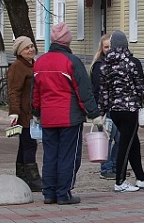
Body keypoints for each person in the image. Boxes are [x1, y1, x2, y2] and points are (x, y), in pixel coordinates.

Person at [32, 23, 104, 205]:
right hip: (69, 117)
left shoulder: (40, 62)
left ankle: (49, 193)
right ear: (67, 40)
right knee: (68, 156)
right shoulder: (72, 61)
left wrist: (36, 112)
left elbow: (35, 92)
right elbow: (84, 91)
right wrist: (94, 113)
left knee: (50, 155)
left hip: (47, 117)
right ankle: (63, 193)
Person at [99, 31, 144, 192]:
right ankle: (120, 181)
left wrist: (101, 110)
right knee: (126, 144)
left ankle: (141, 178)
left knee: (132, 142)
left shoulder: (105, 65)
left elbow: (104, 91)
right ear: (126, 45)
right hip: (130, 109)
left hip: (114, 111)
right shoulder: (132, 63)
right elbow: (141, 86)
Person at [7, 35, 42, 192]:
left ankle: (21, 177)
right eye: (27, 48)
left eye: (32, 46)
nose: (31, 50)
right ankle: (33, 179)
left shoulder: (33, 65)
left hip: (33, 112)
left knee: (24, 145)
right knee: (29, 145)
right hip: (23, 113)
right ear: (20, 51)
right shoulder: (17, 67)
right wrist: (14, 112)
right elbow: (14, 91)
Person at [90, 33, 121, 180]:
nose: (108, 49)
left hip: (119, 106)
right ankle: (106, 167)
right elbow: (98, 88)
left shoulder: (120, 63)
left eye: (111, 46)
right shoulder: (99, 66)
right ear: (101, 48)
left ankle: (116, 165)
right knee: (107, 138)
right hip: (105, 107)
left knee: (120, 138)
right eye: (106, 47)